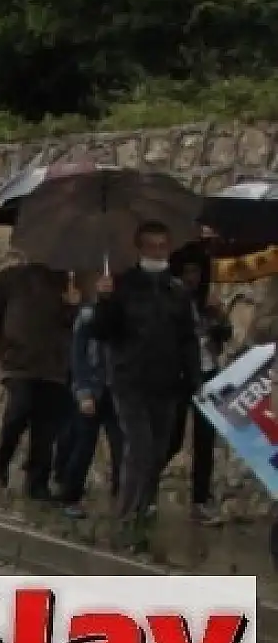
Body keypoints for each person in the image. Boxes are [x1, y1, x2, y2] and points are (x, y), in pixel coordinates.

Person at [91, 221, 201, 528]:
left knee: (160, 449)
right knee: (139, 446)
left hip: (166, 383)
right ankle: (125, 514)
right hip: (130, 380)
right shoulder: (123, 285)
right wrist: (104, 301)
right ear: (139, 248)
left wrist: (194, 379)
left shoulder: (176, 290)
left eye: (162, 245)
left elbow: (188, 339)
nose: (157, 251)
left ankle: (144, 506)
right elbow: (102, 331)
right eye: (151, 246)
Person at [0, 255, 73, 499]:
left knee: (46, 429)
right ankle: (2, 460)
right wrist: (3, 350)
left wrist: (73, 305)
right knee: (18, 413)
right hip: (20, 364)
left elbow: (72, 324)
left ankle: (37, 482)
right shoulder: (9, 278)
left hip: (53, 366)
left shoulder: (66, 280)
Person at [165, 248, 231, 524]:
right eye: (188, 271)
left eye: (197, 271)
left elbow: (225, 334)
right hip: (180, 375)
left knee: (205, 441)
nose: (193, 277)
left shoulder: (208, 303)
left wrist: (217, 322)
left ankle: (200, 501)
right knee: (173, 438)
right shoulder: (172, 300)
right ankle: (143, 486)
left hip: (207, 373)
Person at [53, 278, 124, 517]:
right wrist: (83, 392)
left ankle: (122, 497)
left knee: (121, 448)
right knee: (83, 445)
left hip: (116, 391)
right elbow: (78, 356)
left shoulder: (123, 316)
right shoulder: (87, 316)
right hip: (92, 388)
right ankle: (70, 495)